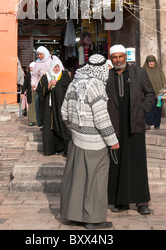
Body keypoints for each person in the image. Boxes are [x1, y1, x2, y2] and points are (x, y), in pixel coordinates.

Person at [60, 54, 119, 230]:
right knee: (96, 181)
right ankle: (93, 220)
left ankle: (76, 216)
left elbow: (64, 112)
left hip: (77, 141)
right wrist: (112, 140)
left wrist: (75, 129)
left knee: (77, 180)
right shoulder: (97, 86)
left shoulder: (75, 82)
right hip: (95, 143)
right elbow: (101, 118)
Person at [106, 45, 155, 215]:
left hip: (135, 125)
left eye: (120, 57)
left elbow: (150, 94)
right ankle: (121, 201)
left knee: (137, 163)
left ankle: (142, 202)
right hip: (115, 126)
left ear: (125, 57)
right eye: (115, 57)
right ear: (111, 59)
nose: (118, 60)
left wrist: (142, 110)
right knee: (117, 164)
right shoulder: (107, 76)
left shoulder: (138, 73)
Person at [36, 56, 72, 156]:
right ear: (51, 67)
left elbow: (68, 88)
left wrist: (57, 86)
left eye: (58, 67)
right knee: (49, 128)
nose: (56, 69)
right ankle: (50, 149)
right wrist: (48, 86)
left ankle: (64, 149)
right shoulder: (46, 76)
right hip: (49, 107)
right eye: (54, 67)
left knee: (63, 126)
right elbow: (40, 90)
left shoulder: (64, 76)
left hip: (61, 107)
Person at [142, 55, 166, 130]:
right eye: (149, 61)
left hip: (157, 94)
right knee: (148, 109)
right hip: (147, 94)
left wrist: (162, 91)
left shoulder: (159, 70)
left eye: (152, 61)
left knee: (157, 109)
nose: (151, 63)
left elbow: (163, 81)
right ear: (147, 62)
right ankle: (147, 124)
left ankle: (157, 124)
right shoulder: (143, 70)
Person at [31, 46, 52, 126]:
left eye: (41, 54)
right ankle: (41, 122)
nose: (39, 56)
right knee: (38, 103)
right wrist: (33, 84)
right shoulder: (37, 63)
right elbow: (34, 76)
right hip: (40, 87)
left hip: (51, 86)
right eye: (38, 55)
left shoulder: (51, 60)